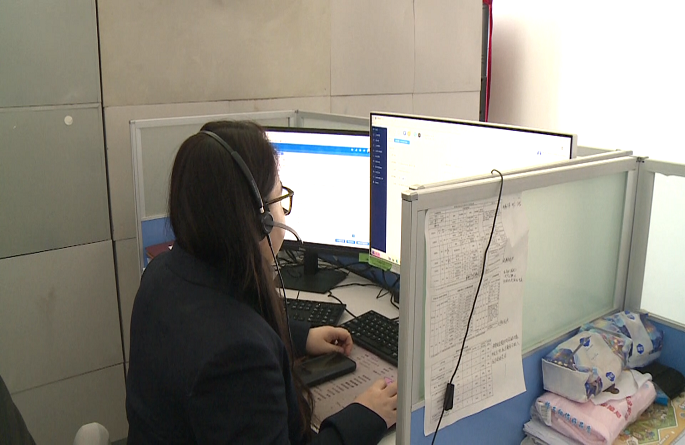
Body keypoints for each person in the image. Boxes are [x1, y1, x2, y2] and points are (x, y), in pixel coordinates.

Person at [125, 120, 397, 444]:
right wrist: (364, 416)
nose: (283, 211)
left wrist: (300, 337)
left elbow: (214, 325)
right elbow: (232, 341)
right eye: (280, 198)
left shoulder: (162, 274)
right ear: (260, 220)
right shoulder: (238, 356)